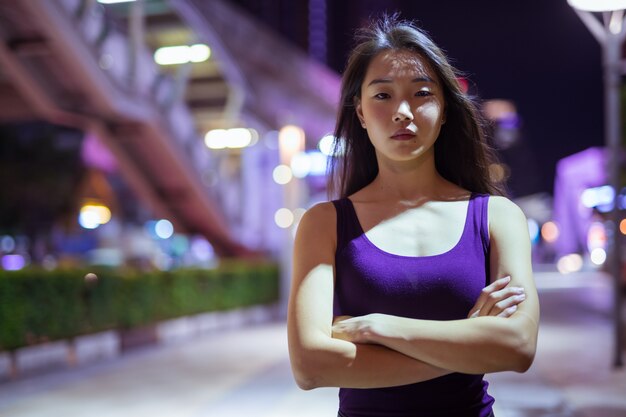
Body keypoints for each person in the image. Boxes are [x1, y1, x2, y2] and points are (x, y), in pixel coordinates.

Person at [287, 13, 539, 417]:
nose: (403, 111)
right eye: (383, 95)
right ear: (361, 114)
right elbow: (310, 365)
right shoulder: (325, 223)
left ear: (443, 110)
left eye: (422, 93)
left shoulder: (496, 217)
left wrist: (377, 327)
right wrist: (472, 344)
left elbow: (519, 347)